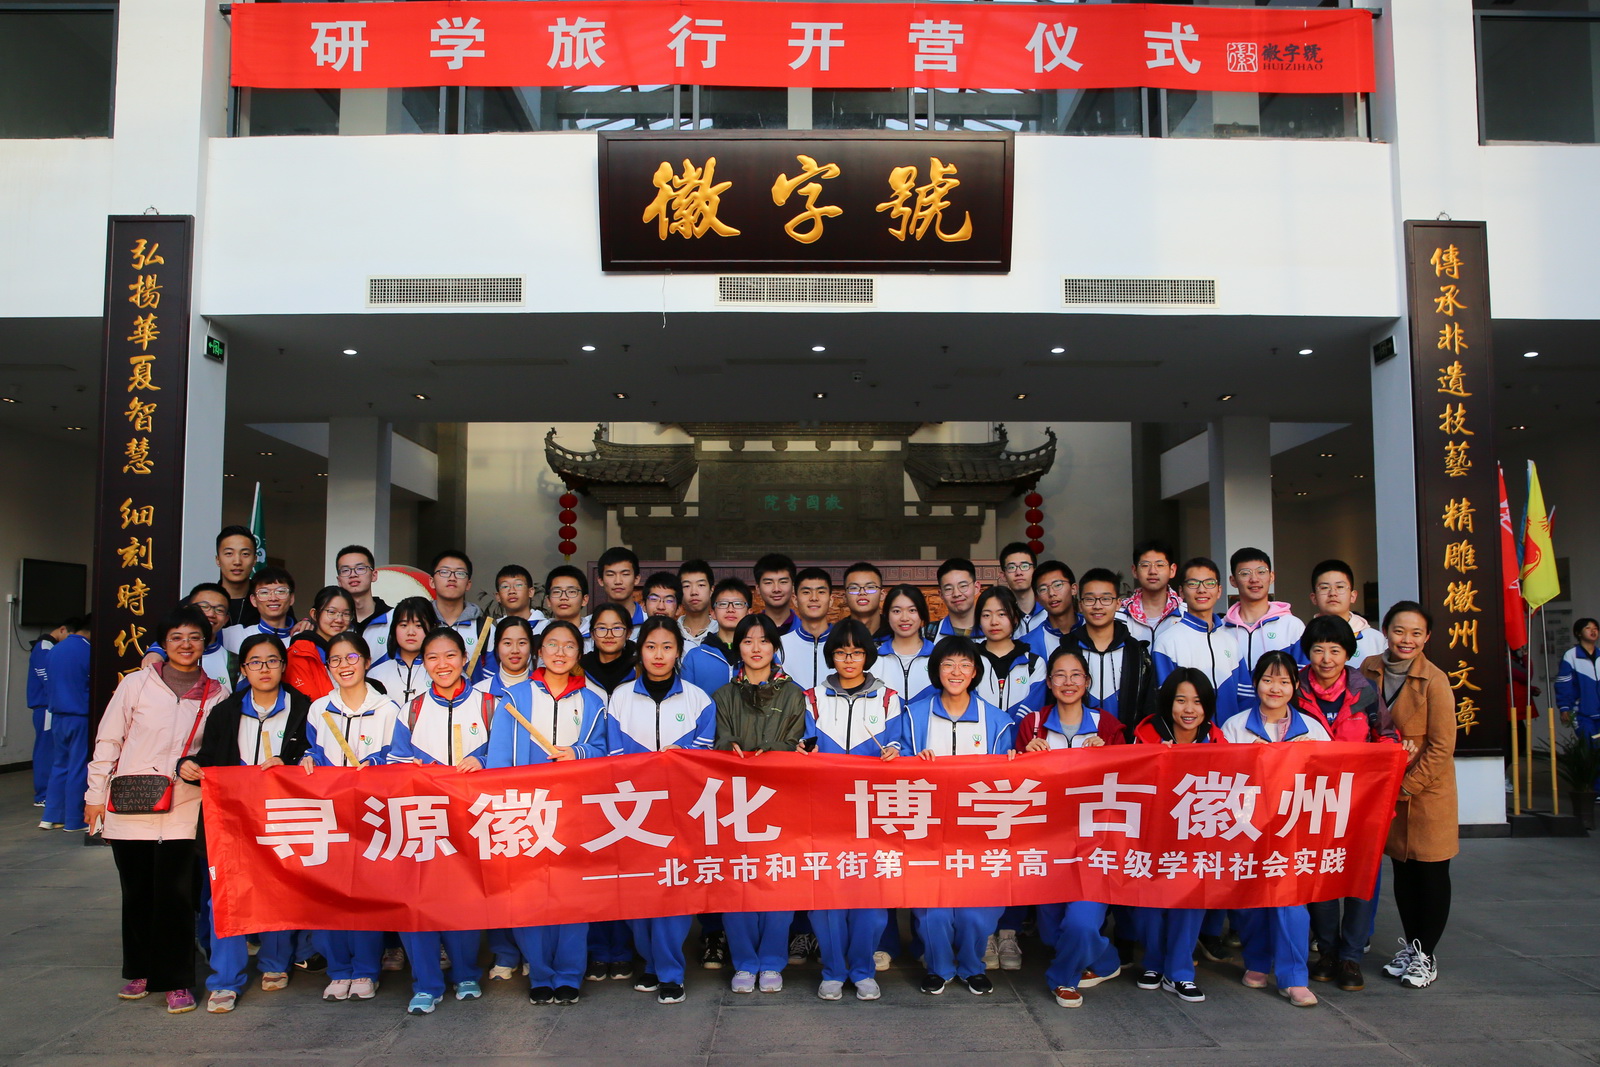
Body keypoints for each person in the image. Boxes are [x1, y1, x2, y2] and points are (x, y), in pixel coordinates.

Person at [84, 605, 227, 1014]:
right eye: (177, 637)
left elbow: (216, 750)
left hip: (184, 805)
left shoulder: (217, 693)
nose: (186, 644)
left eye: (195, 637)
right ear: (163, 644)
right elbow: (109, 740)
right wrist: (94, 795)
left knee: (178, 897)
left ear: (206, 642)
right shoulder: (136, 684)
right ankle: (141, 971)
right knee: (137, 894)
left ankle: (177, 980)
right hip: (131, 802)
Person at [183, 633, 311, 1013]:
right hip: (233, 817)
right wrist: (187, 766)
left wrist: (291, 763)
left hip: (281, 815)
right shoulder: (225, 711)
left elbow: (313, 756)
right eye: (255, 662)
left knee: (279, 888)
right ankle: (225, 979)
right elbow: (208, 758)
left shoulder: (304, 708)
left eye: (272, 661)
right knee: (226, 895)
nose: (264, 668)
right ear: (243, 669)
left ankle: (275, 961)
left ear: (283, 666)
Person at [488, 618, 607, 1005]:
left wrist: (578, 752)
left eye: (569, 646)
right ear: (539, 652)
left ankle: (570, 974)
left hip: (573, 813)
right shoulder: (516, 697)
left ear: (579, 654)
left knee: (572, 895)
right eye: (552, 645)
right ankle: (540, 972)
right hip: (525, 812)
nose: (560, 652)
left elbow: (603, 752)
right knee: (529, 896)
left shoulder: (592, 702)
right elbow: (499, 757)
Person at [604, 619, 717, 1005]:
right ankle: (651, 963)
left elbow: (702, 758)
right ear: (640, 651)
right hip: (633, 813)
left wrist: (675, 763)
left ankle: (670, 972)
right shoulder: (620, 698)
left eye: (667, 647)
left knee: (674, 890)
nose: (658, 655)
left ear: (678, 653)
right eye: (651, 646)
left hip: (681, 813)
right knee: (638, 892)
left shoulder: (698, 700)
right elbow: (614, 755)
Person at [904, 636, 1016, 995]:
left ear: (976, 672)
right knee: (933, 911)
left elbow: (1008, 780)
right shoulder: (913, 715)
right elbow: (894, 764)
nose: (956, 672)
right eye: (948, 664)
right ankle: (938, 966)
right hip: (927, 831)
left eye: (965, 664)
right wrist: (908, 761)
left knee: (976, 912)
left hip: (979, 832)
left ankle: (971, 965)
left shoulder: (997, 721)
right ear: (936, 670)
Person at [387, 627, 491, 1015]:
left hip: (471, 820)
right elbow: (394, 761)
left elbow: (505, 758)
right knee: (418, 901)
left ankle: (466, 973)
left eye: (450, 656)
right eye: (432, 657)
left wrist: (482, 759)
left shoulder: (489, 705)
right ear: (423, 663)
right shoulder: (412, 710)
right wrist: (412, 769)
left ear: (464, 659)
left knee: (465, 900)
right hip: (423, 819)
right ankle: (426, 983)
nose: (442, 664)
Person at [1015, 646, 1126, 1009]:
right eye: (1059, 675)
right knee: (1051, 930)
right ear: (1048, 683)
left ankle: (1063, 980)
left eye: (1075, 674)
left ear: (1087, 681)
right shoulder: (1032, 724)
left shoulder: (1106, 725)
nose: (1068, 682)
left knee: (1080, 922)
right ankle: (1106, 960)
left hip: (1096, 844)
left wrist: (1107, 758)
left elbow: (1127, 784)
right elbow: (1012, 784)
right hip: (1047, 842)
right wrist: (1025, 758)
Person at [1222, 650, 1330, 1008]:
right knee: (1250, 901)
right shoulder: (1235, 726)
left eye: (1284, 681)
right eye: (1268, 679)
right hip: (1247, 828)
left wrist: (1311, 756)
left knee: (1291, 903)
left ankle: (1294, 977)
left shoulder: (1312, 728)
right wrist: (1245, 759)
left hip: (1293, 829)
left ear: (1295, 686)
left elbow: (1331, 778)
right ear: (1255, 684)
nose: (1275, 687)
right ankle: (1256, 962)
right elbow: (1218, 778)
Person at [802, 620, 903, 1002]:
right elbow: (802, 743)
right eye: (842, 652)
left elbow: (902, 743)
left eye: (857, 652)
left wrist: (895, 752)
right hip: (824, 812)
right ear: (831, 656)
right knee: (826, 901)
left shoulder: (889, 698)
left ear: (867, 656)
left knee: (871, 903)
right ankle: (832, 971)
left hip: (873, 813)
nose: (849, 659)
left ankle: (862, 970)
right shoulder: (812, 697)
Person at [1361, 601, 1457, 992]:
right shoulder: (1369, 668)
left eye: (1416, 633)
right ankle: (1412, 946)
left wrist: (1404, 787)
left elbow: (1441, 746)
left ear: (1427, 637)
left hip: (1427, 794)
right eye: (1400, 631)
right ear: (1385, 630)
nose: (1407, 640)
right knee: (1402, 870)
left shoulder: (1435, 680)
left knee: (1430, 873)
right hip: (1387, 792)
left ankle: (1426, 955)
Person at [301, 630, 401, 1003]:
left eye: (352, 657)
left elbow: (397, 757)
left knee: (365, 894)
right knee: (330, 894)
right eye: (336, 660)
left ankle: (365, 970)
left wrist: (378, 762)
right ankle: (339, 970)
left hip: (371, 814)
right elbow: (313, 748)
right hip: (329, 813)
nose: (344, 665)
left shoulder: (388, 709)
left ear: (367, 661)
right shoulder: (319, 708)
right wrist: (308, 759)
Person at [713, 613, 809, 995]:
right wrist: (727, 746)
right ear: (737, 647)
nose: (756, 648)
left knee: (777, 882)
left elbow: (796, 741)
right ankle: (744, 962)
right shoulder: (723, 695)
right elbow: (717, 741)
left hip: (780, 799)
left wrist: (770, 751)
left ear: (775, 646)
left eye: (764, 640)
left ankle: (771, 961)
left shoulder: (794, 694)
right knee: (736, 883)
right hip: (734, 801)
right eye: (748, 641)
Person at [1295, 615, 1390, 993]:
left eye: (1335, 650)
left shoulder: (1365, 690)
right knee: (1319, 875)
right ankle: (1328, 951)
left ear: (1348, 653)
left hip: (1360, 801)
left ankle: (1351, 956)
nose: (1326, 658)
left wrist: (1391, 755)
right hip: (1312, 800)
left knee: (1360, 877)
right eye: (1318, 650)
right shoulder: (1295, 687)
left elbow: (1386, 736)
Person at [1129, 669, 1228, 1004]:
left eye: (1197, 702)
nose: (1189, 709)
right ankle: (1154, 963)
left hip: (1197, 836)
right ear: (1167, 703)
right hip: (1149, 835)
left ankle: (1180, 971)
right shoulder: (1144, 736)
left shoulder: (1217, 740)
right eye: (1181, 700)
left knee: (1191, 899)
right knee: (1149, 904)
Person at [1056, 568, 1155, 740]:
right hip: (1077, 747)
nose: (1097, 606)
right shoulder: (1066, 650)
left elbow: (1149, 708)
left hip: (1127, 748)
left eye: (1106, 599)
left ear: (1118, 603)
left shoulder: (1137, 653)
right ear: (1080, 604)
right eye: (1090, 599)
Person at [1152, 558, 1243, 723]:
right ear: (1181, 592)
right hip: (1190, 737)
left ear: (1219, 590)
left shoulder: (1230, 641)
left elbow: (1245, 697)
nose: (1202, 590)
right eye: (1193, 584)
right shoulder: (1167, 642)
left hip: (1231, 735)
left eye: (1210, 583)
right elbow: (1166, 702)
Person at [1223, 548, 1305, 718]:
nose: (1254, 579)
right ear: (1233, 580)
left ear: (1271, 576)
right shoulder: (1222, 629)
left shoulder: (1292, 626)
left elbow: (1303, 682)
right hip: (1230, 721)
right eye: (1245, 573)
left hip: (1281, 721)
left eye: (1261, 572)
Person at [41, 616, 92, 832]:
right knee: (78, 766)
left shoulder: (55, 650)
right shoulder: (88, 650)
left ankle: (50, 816)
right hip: (80, 715)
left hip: (58, 715)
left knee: (59, 765)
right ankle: (74, 819)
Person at [973, 586, 1047, 722]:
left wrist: (1010, 733)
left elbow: (1033, 709)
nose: (994, 622)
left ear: (1015, 618)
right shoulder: (970, 661)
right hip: (981, 734)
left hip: (1022, 735)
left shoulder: (1033, 663)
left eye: (1002, 614)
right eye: (986, 615)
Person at [1304, 560, 1387, 665]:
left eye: (1340, 587)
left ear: (1353, 596)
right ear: (1314, 598)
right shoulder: (1303, 638)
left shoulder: (1375, 639)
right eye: (1324, 588)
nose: (1332, 593)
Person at [285, 586, 357, 702]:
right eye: (331, 612)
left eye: (346, 614)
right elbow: (306, 702)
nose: (339, 619)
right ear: (314, 614)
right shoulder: (300, 652)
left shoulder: (354, 651)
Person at [367, 597, 440, 708]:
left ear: (432, 628)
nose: (411, 632)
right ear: (394, 628)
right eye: (404, 625)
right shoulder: (376, 673)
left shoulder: (442, 671)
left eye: (418, 625)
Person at [681, 578, 749, 696]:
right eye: (723, 604)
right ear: (712, 613)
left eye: (738, 604)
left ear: (749, 612)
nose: (730, 609)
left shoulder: (760, 652)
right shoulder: (695, 657)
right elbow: (686, 700)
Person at [28, 621, 67, 810]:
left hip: (49, 706)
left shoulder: (50, 646)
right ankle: (42, 795)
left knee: (52, 750)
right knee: (45, 750)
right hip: (46, 707)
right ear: (62, 630)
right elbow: (47, 677)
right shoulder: (44, 646)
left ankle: (48, 793)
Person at [1117, 539, 1184, 646]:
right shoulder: (1119, 615)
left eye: (1160, 565)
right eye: (1145, 565)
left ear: (1172, 570)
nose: (1152, 571)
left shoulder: (1186, 614)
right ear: (1134, 571)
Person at [878, 584, 935, 706]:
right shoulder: (874, 659)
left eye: (912, 610)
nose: (904, 618)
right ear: (887, 615)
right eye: (896, 611)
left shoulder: (939, 657)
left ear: (922, 614)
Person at [220, 566, 297, 655]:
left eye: (280, 591)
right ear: (253, 600)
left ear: (291, 598)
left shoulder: (302, 639)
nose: (273, 598)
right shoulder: (234, 635)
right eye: (264, 592)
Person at [779, 567, 834, 691]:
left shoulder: (846, 644)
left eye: (821, 592)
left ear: (831, 600)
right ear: (795, 600)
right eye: (806, 592)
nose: (814, 598)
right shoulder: (780, 645)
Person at [334, 545, 392, 659]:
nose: (353, 574)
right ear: (339, 580)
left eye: (360, 568)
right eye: (345, 570)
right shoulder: (334, 623)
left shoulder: (394, 619)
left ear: (374, 575)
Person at [429, 549, 487, 664]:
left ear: (468, 584)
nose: (452, 578)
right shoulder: (419, 623)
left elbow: (491, 670)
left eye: (460, 573)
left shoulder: (484, 628)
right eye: (444, 572)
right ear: (432, 582)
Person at [183, 584, 239, 690]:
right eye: (204, 607)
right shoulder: (169, 654)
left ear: (226, 620)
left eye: (219, 610)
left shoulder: (235, 663)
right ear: (187, 611)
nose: (211, 614)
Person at [1024, 560, 1083, 659]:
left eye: (1058, 585)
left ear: (1073, 589)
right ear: (1037, 599)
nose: (1051, 593)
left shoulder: (1095, 629)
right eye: (1043, 589)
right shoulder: (1028, 644)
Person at [1556, 617, 1600, 746]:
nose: (1593, 631)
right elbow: (1564, 684)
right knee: (1591, 747)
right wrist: (1564, 707)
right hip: (1581, 713)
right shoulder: (1571, 656)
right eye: (1588, 628)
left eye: (1595, 628)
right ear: (1578, 633)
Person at [580, 602, 637, 695]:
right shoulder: (579, 669)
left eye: (617, 628)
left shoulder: (638, 670)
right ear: (592, 634)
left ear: (628, 633)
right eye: (602, 628)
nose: (609, 635)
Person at [214, 525, 261, 626]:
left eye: (245, 554)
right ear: (218, 560)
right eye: (229, 553)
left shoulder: (268, 602)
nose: (237, 562)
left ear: (254, 560)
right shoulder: (199, 603)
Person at [999, 542, 1046, 638]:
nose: (1018, 572)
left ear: (1035, 571)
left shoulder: (1050, 611)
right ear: (1003, 576)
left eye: (1024, 566)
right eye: (1011, 567)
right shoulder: (999, 617)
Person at [930, 558, 980, 638]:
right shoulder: (929, 634)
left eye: (963, 586)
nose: (956, 594)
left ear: (976, 587)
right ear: (941, 594)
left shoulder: (994, 630)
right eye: (948, 589)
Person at [597, 546, 647, 625]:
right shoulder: (591, 625)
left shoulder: (650, 622)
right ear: (601, 580)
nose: (618, 581)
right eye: (610, 575)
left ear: (636, 579)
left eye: (625, 574)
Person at [752, 553, 799, 635]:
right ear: (758, 588)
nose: (776, 589)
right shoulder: (748, 632)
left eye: (783, 582)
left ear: (793, 587)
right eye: (768, 583)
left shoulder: (807, 631)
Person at [676, 560, 716, 648]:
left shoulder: (720, 631)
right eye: (687, 586)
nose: (694, 592)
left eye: (701, 585)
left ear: (711, 590)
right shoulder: (672, 630)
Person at [842, 562, 885, 636]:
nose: (862, 592)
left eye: (870, 587)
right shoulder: (837, 635)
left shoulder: (895, 632)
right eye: (854, 588)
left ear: (881, 595)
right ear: (845, 597)